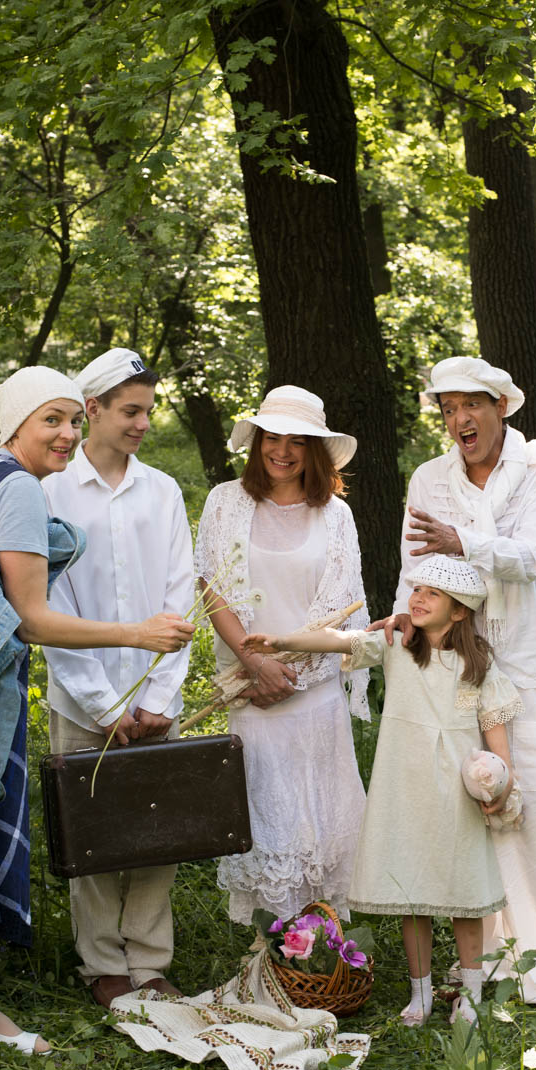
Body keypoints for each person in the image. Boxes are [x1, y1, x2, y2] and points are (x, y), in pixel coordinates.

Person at [0, 366, 194, 1054]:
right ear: (16, 425)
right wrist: (136, 633)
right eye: (49, 420)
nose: (64, 433)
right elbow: (33, 619)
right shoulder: (22, 490)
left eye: (69, 419)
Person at [377, 355, 536, 1003]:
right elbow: (412, 574)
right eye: (446, 408)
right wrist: (402, 647)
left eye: (469, 405)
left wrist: (461, 541)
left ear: (501, 406)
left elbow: (527, 559)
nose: (457, 419)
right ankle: (486, 956)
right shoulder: (427, 478)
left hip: (518, 658)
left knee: (534, 790)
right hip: (450, 662)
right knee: (466, 798)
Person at [243, 553, 521, 1026]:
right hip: (403, 788)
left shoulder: (478, 667)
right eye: (416, 590)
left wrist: (502, 786)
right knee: (411, 894)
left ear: (459, 611)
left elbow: (496, 742)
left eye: (433, 594)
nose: (418, 598)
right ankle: (421, 993)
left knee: (462, 894)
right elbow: (338, 639)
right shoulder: (396, 645)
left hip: (454, 795)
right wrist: (281, 639)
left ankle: (471, 996)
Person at [43, 349, 194, 1008]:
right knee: (96, 823)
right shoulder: (47, 491)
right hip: (83, 698)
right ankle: (103, 960)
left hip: (156, 693)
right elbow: (49, 610)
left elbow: (180, 592)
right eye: (130, 411)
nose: (141, 425)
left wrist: (158, 698)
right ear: (94, 409)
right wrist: (106, 706)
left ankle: (150, 958)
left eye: (147, 412)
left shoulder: (160, 490)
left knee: (160, 827)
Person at [194, 386, 368, 925]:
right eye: (273, 437)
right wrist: (256, 666)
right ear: (258, 442)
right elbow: (210, 584)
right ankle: (274, 946)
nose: (283, 451)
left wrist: (291, 671)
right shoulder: (225, 501)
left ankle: (325, 949)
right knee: (269, 820)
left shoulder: (335, 515)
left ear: (316, 450)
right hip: (251, 692)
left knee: (319, 820)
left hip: (311, 695)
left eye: (298, 441)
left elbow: (344, 605)